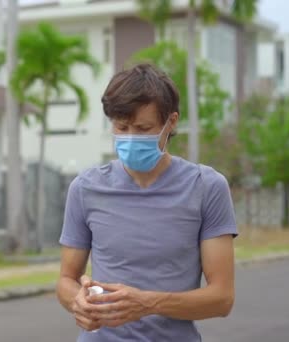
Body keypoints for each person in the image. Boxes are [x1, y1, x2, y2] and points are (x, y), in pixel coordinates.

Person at [56, 63, 237, 342]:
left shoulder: (206, 188)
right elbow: (66, 280)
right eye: (121, 127)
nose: (130, 137)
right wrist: (77, 302)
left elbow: (222, 298)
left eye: (143, 128)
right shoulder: (85, 188)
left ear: (171, 122)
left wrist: (148, 303)